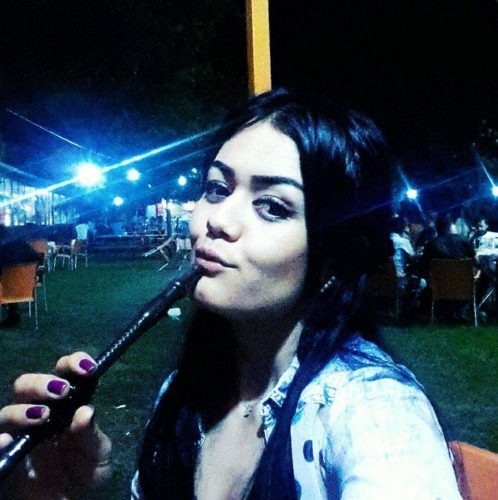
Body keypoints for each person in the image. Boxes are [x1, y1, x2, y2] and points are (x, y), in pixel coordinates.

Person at [0, 89, 461, 498]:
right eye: (217, 189)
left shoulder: (375, 415)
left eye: (272, 207)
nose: (216, 220)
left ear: (335, 254)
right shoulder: (185, 394)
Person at [0, 224, 44, 328]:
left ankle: (12, 311)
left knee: (8, 279)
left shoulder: (2, 250)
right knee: (11, 278)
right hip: (28, 286)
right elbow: (39, 258)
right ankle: (12, 311)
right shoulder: (22, 244)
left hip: (8, 289)